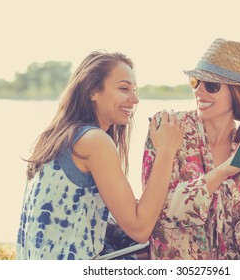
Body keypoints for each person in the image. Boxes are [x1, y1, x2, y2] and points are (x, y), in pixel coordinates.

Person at [16, 50, 183, 260]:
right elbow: (140, 229)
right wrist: (167, 151)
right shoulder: (94, 141)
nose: (135, 99)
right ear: (93, 91)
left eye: (135, 89)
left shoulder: (59, 135)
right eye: (124, 88)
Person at [142, 38, 240, 260]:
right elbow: (158, 214)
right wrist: (223, 171)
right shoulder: (169, 129)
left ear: (238, 93)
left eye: (211, 85)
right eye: (195, 81)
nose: (199, 91)